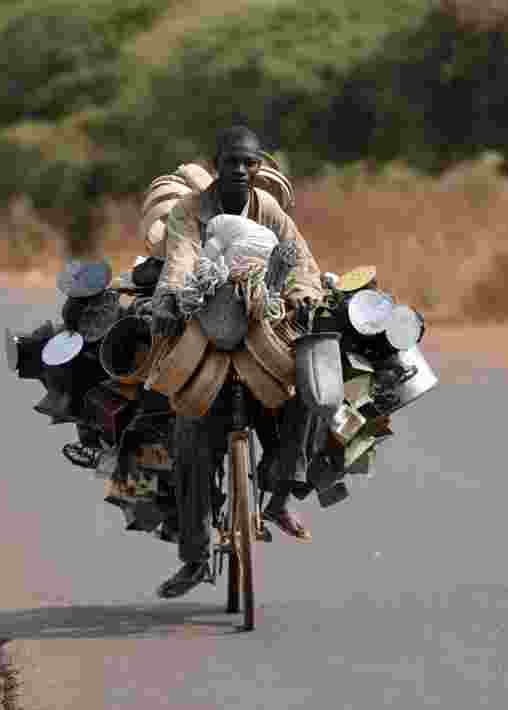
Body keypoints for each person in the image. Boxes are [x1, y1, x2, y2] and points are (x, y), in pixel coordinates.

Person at [150, 125, 324, 599]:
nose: (241, 170)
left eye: (249, 162)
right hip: (205, 327)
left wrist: (303, 295)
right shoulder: (189, 212)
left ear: (258, 166)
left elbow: (301, 262)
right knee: (188, 435)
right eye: (232, 161)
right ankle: (194, 556)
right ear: (218, 162)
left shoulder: (269, 210)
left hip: (262, 325)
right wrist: (174, 298)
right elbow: (180, 260)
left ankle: (280, 493)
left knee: (311, 384)